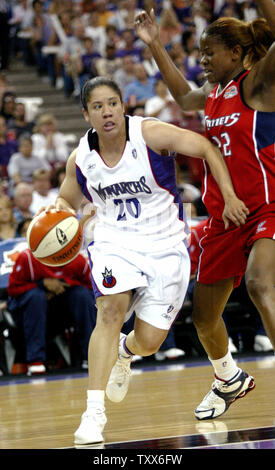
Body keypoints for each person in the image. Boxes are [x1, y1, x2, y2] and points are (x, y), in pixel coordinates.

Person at [39, 76, 249, 445]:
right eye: (98, 106)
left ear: (123, 106)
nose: (108, 112)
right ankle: (93, 413)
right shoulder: (82, 157)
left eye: (113, 103)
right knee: (109, 312)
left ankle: (125, 350)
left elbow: (205, 147)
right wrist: (58, 218)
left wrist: (229, 196)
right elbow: (66, 200)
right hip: (114, 242)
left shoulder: (149, 133)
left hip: (165, 246)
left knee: (150, 341)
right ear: (85, 113)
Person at [134, 0, 275, 420]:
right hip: (224, 218)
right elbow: (182, 94)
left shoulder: (258, 85)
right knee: (203, 316)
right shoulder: (213, 95)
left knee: (261, 284)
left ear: (235, 52)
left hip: (267, 206)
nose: (203, 60)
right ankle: (228, 378)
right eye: (199, 54)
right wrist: (155, 43)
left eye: (209, 53)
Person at [7, 249, 97, 376]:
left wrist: (64, 284)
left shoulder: (78, 260)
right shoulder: (27, 258)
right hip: (28, 314)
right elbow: (13, 290)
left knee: (82, 295)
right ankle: (35, 360)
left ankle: (92, 355)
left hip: (62, 313)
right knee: (36, 297)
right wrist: (41, 284)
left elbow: (91, 288)